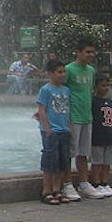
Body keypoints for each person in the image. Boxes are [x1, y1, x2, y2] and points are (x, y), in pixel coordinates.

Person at [64, 40, 105, 199]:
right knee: (70, 152)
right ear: (78, 52)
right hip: (72, 116)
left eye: (93, 52)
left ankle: (84, 183)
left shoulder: (91, 70)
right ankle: (67, 184)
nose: (91, 55)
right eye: (88, 52)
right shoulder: (68, 69)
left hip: (87, 116)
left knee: (83, 153)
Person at [35, 59, 73, 204]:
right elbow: (41, 110)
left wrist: (68, 126)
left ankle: (57, 189)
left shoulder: (66, 90)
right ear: (50, 74)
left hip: (64, 129)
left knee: (62, 161)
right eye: (59, 72)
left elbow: (67, 109)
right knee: (50, 161)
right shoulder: (46, 89)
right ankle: (46, 190)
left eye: (63, 71)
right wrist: (47, 129)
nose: (62, 74)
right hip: (51, 131)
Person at [88, 76, 112, 197]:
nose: (106, 88)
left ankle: (105, 183)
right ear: (95, 87)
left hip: (110, 135)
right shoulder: (92, 102)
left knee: (107, 161)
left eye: (108, 85)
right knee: (97, 161)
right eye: (103, 85)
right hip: (97, 136)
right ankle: (95, 183)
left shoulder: (110, 102)